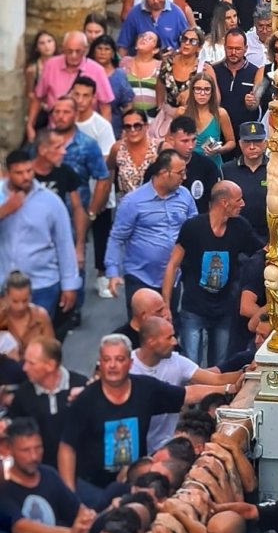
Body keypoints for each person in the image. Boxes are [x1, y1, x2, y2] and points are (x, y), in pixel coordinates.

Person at [57, 334, 187, 507]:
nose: (112, 365)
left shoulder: (146, 389)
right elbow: (67, 446)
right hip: (93, 488)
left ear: (130, 363)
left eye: (119, 359)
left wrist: (227, 387)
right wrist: (70, 496)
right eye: (106, 359)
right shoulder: (85, 400)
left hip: (135, 484)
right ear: (100, 363)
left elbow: (186, 395)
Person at [162, 181, 262, 367]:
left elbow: (262, 251)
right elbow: (172, 265)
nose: (243, 204)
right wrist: (166, 305)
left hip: (224, 309)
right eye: (238, 200)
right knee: (190, 366)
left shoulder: (240, 227)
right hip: (194, 307)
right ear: (224, 202)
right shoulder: (193, 228)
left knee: (221, 365)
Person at [130, 317, 241, 452]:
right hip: (131, 448)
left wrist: (244, 374)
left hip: (166, 448)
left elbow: (215, 380)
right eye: (169, 337)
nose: (175, 341)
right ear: (151, 341)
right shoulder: (126, 368)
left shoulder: (177, 362)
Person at [104, 148, 197, 309]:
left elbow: (194, 228)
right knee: (143, 329)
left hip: (174, 276)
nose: (185, 177)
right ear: (163, 172)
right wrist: (112, 272)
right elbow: (117, 237)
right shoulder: (133, 202)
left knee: (170, 327)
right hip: (140, 278)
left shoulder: (185, 196)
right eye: (180, 173)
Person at [0, 151, 80, 320]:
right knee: (6, 344)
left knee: (37, 341)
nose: (26, 177)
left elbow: (64, 244)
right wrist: (4, 211)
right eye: (19, 173)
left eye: (29, 171)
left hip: (42, 286)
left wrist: (70, 285)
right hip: (3, 286)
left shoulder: (51, 202)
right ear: (8, 173)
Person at [6, 337, 87, 467]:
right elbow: (14, 428)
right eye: (24, 362)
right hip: (39, 470)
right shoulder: (23, 394)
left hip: (80, 469)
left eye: (31, 363)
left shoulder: (82, 386)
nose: (24, 368)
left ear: (50, 365)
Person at [222, 121, 268, 240]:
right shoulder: (227, 170)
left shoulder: (275, 169)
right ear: (240, 144)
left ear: (266, 143)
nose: (252, 147)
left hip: (268, 235)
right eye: (247, 142)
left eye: (257, 141)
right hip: (236, 234)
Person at [184, 70, 236, 171]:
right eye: (198, 89)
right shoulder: (182, 112)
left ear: (212, 92)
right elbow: (170, 139)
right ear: (192, 91)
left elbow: (231, 142)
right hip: (187, 166)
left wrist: (219, 150)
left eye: (207, 89)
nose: (202, 93)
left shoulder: (221, 113)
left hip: (212, 165)